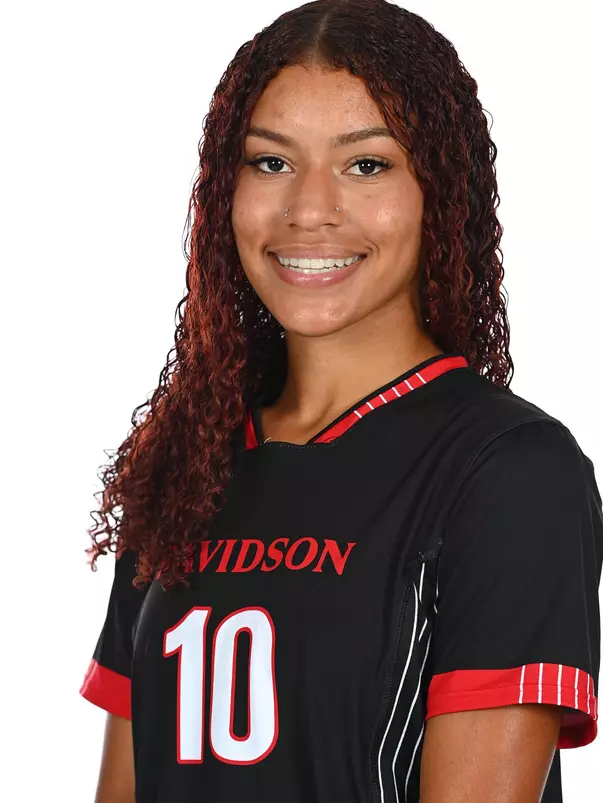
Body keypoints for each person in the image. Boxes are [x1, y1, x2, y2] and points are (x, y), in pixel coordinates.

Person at [80, 1, 603, 801]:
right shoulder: (184, 461)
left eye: (366, 165)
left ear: (441, 191)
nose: (309, 210)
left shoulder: (508, 471)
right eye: (270, 162)